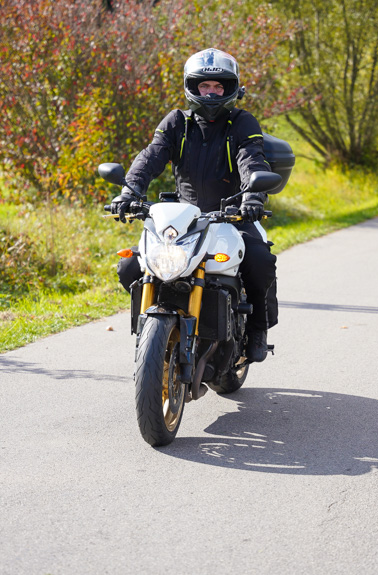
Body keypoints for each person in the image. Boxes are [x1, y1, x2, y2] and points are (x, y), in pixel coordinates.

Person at [110, 48, 277, 362]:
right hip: (185, 218)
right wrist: (129, 191)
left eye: (218, 86)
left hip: (232, 213)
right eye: (204, 86)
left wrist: (253, 197)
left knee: (259, 260)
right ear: (192, 87)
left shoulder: (242, 122)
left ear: (231, 89)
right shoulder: (177, 122)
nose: (211, 93)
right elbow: (150, 157)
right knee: (130, 265)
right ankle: (158, 329)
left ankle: (257, 328)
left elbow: (251, 160)